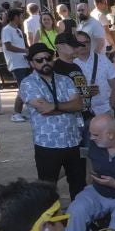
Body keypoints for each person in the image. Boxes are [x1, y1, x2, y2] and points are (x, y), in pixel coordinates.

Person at [19, 43, 89, 196]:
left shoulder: (65, 80)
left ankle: (80, 219)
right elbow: (43, 108)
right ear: (31, 63)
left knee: (79, 185)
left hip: (73, 141)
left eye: (48, 58)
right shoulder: (28, 83)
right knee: (47, 189)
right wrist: (66, 107)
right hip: (48, 144)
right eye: (39, 60)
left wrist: (54, 106)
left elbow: (78, 104)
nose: (45, 62)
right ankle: (51, 220)